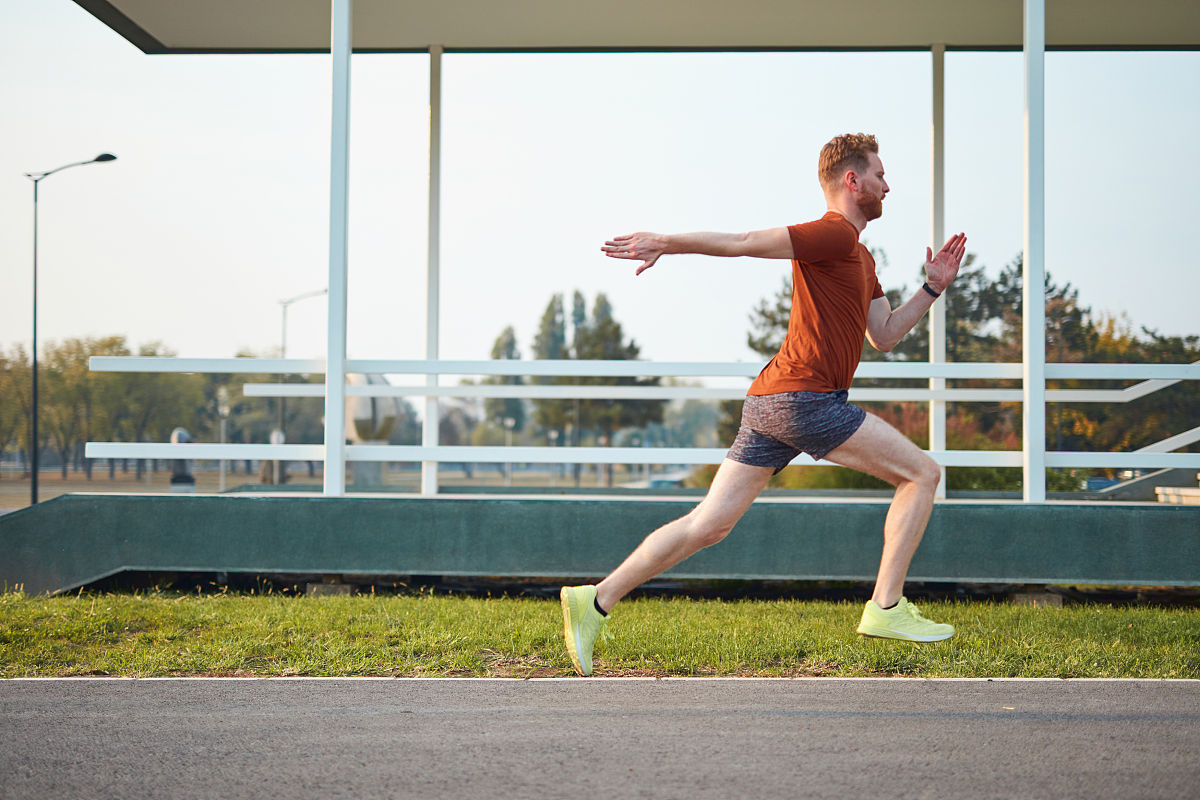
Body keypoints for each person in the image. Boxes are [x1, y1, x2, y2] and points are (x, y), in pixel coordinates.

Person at [560, 133, 967, 676]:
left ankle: (596, 600)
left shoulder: (860, 256)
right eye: (879, 174)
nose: (887, 185)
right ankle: (886, 607)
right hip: (806, 400)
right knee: (922, 474)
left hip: (771, 401)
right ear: (852, 180)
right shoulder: (831, 235)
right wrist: (665, 240)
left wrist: (932, 288)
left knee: (708, 525)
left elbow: (885, 335)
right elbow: (744, 240)